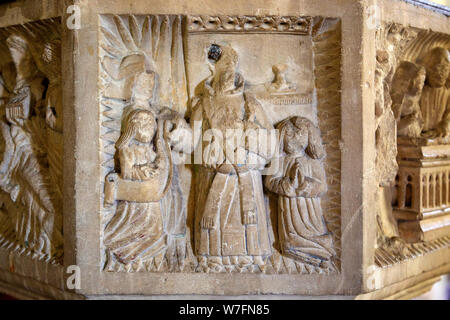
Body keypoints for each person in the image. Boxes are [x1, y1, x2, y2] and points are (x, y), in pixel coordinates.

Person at [190, 44, 274, 271]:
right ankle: (213, 259)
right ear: (214, 71)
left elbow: (269, 138)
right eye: (223, 66)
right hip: (215, 172)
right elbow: (190, 141)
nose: (228, 72)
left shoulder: (251, 104)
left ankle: (251, 257)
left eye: (232, 66)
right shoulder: (203, 104)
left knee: (247, 217)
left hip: (245, 170)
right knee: (214, 219)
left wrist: (251, 154)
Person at [264, 116, 335, 267]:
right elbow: (269, 182)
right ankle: (313, 253)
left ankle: (320, 250)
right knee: (290, 241)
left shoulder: (312, 162)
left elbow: (322, 186)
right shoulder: (280, 161)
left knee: (312, 233)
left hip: (309, 211)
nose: (295, 139)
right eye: (289, 135)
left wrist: (307, 186)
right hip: (289, 210)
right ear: (281, 138)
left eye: (300, 134)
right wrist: (286, 185)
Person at [104, 109, 171, 266]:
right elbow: (127, 173)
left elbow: (160, 162)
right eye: (141, 122)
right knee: (133, 231)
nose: (146, 125)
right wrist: (144, 171)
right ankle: (127, 259)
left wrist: (157, 164)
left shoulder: (150, 149)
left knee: (156, 231)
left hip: (150, 201)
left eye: (149, 122)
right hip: (135, 202)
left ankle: (143, 261)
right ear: (131, 127)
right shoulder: (127, 149)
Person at [420, 47, 450, 138]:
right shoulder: (418, 91)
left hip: (438, 137)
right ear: (426, 69)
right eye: (437, 68)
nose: (441, 74)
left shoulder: (447, 92)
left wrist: (444, 125)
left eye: (445, 69)